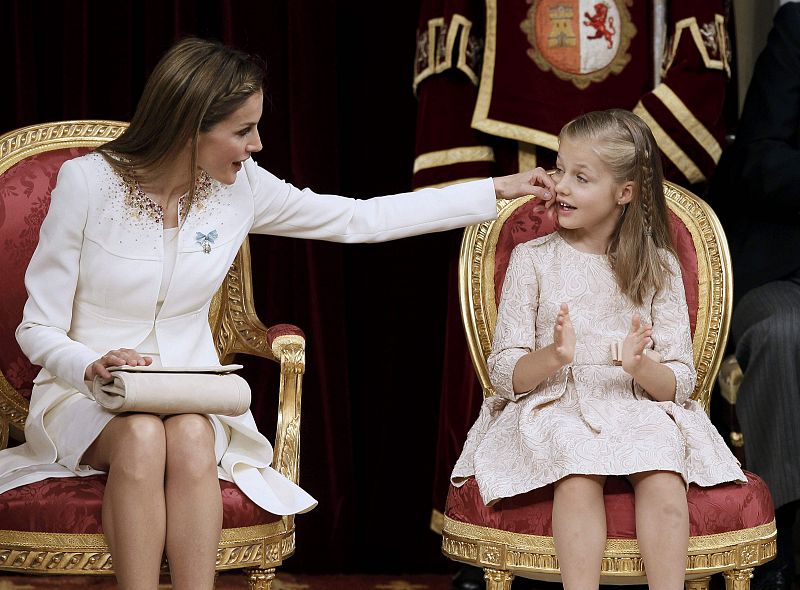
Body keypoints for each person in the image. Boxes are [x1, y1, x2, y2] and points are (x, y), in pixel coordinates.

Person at [0, 37, 556, 590]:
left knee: (190, 436)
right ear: (188, 125)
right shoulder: (87, 183)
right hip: (84, 393)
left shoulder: (240, 188)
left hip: (192, 393)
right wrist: (92, 363)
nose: (257, 145)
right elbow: (36, 327)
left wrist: (495, 190)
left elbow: (358, 220)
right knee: (144, 437)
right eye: (243, 131)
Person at [451, 109, 746, 590]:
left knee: (664, 469)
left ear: (624, 193)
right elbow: (503, 371)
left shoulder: (659, 268)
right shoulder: (533, 260)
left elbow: (680, 383)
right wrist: (553, 357)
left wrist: (639, 366)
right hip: (556, 404)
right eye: (559, 168)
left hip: (635, 404)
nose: (560, 185)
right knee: (577, 467)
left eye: (581, 177)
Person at [706, 4, 800, 589]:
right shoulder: (797, 29)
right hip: (788, 274)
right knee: (783, 334)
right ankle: (776, 550)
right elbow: (759, 159)